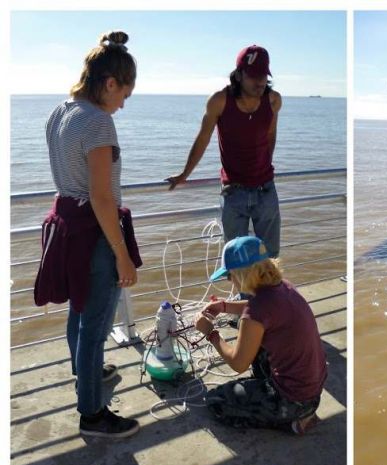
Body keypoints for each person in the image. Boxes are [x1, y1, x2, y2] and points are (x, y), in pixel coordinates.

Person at [34, 31, 142, 437]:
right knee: (95, 325)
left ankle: (87, 373)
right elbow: (100, 197)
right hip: (94, 231)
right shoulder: (99, 123)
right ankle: (92, 414)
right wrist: (121, 253)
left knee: (78, 311)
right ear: (110, 82)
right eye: (125, 93)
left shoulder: (60, 112)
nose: (124, 103)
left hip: (66, 225)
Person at [193, 236, 327, 434]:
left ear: (241, 274)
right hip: (312, 391)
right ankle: (296, 409)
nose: (230, 281)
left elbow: (238, 364)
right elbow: (261, 308)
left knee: (216, 401)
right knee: (256, 347)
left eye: (230, 276)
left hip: (292, 399)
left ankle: (293, 422)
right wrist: (223, 306)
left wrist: (211, 333)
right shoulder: (284, 287)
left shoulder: (255, 313)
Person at [166, 45, 283, 257]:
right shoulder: (219, 101)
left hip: (266, 190)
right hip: (233, 192)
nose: (259, 82)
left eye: (263, 76)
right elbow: (202, 138)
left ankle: (269, 292)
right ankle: (243, 292)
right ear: (239, 75)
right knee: (236, 261)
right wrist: (185, 174)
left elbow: (270, 135)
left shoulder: (273, 100)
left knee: (270, 258)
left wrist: (265, 163)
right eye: (253, 76)